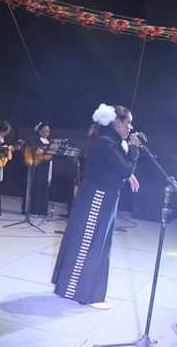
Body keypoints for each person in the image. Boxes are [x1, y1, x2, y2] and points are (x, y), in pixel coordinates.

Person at [52, 104, 140, 309]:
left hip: (104, 197)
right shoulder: (106, 142)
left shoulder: (111, 142)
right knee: (90, 243)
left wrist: (129, 173)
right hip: (97, 198)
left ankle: (87, 291)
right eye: (128, 123)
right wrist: (135, 149)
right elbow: (124, 167)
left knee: (98, 244)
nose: (131, 127)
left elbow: (119, 168)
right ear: (116, 122)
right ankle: (81, 292)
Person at [23, 122, 52, 216]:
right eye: (44, 131)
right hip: (38, 165)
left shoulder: (50, 142)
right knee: (36, 186)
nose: (46, 133)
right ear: (40, 131)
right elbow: (31, 148)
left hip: (47, 166)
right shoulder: (35, 139)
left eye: (48, 131)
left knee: (44, 187)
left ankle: (42, 210)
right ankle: (33, 209)